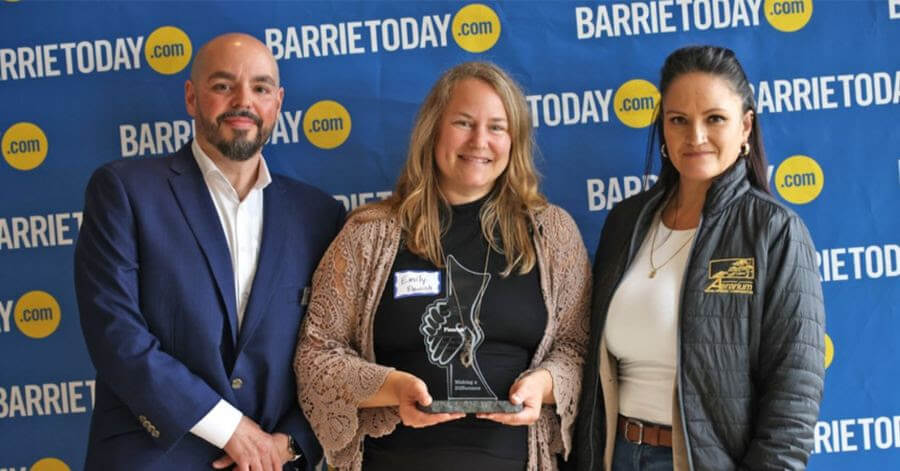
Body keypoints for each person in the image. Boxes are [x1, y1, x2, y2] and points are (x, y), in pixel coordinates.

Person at [294, 61, 591, 471]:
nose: (479, 141)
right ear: (433, 130)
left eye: (497, 127)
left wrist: (544, 385)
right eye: (464, 123)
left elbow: (579, 350)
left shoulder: (552, 233)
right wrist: (391, 387)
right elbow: (316, 355)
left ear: (515, 139)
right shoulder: (369, 233)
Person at [74, 33, 344, 471]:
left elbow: (335, 351)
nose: (243, 101)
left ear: (277, 102)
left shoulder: (319, 215)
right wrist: (232, 430)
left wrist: (290, 444)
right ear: (191, 97)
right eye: (223, 86)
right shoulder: (124, 191)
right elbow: (115, 333)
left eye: (259, 89)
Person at [569, 45, 825, 470]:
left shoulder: (775, 232)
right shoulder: (626, 222)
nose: (696, 136)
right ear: (663, 129)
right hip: (619, 455)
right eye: (678, 120)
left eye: (715, 119)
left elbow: (793, 400)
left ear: (745, 127)